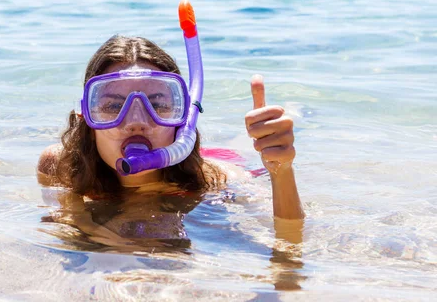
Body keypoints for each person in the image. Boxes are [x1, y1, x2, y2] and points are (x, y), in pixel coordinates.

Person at [37, 35, 304, 221]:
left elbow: (288, 236)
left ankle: (297, 109)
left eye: (157, 104)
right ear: (86, 117)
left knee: (253, 138)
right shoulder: (59, 167)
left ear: (184, 117)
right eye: (112, 106)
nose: (136, 122)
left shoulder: (217, 181)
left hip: (222, 159)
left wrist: (281, 171)